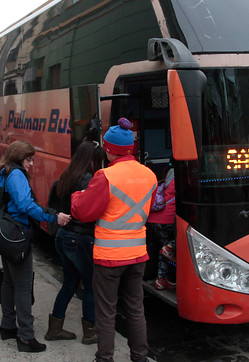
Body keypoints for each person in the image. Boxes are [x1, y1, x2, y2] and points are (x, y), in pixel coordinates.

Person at [72, 118, 157, 362]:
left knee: (107, 311)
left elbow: (83, 212)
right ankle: (140, 357)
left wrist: (79, 194)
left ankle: (105, 358)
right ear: (130, 148)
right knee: (136, 309)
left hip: (109, 257)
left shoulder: (105, 176)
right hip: (138, 254)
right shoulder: (149, 175)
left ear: (108, 150)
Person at [0, 140, 72, 353]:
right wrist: (53, 217)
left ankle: (8, 326)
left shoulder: (2, 172)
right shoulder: (16, 175)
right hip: (17, 235)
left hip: (4, 234)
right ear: (19, 157)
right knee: (23, 286)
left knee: (8, 280)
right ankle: (26, 336)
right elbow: (26, 206)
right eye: (29, 159)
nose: (31, 164)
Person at [45, 141, 105, 344]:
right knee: (90, 285)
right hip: (80, 238)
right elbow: (92, 210)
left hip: (64, 236)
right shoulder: (87, 179)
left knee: (69, 284)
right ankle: (90, 331)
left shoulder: (68, 174)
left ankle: (55, 328)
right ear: (92, 160)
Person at [147, 163, 176, 290]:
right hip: (168, 219)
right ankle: (171, 246)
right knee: (183, 240)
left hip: (154, 219)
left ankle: (161, 279)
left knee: (164, 251)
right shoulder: (181, 178)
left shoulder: (167, 177)